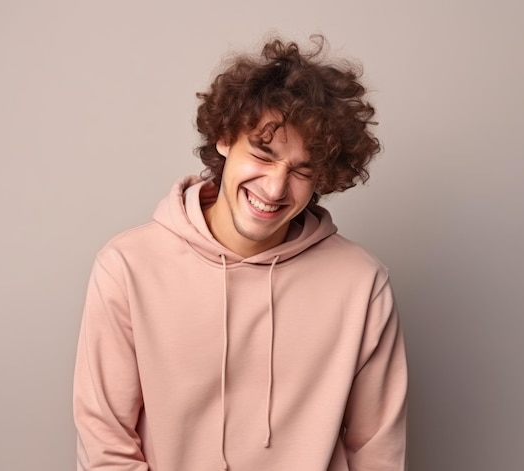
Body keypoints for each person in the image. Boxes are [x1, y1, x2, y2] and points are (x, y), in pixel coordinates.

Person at [73, 35, 408, 471]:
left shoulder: (361, 283)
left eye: (302, 170)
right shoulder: (129, 266)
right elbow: (106, 445)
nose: (274, 188)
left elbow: (377, 452)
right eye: (263, 154)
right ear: (225, 139)